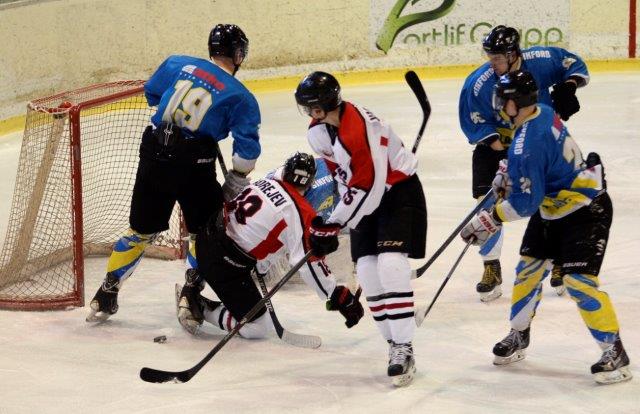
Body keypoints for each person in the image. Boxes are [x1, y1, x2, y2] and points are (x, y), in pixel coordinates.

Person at [460, 70, 632, 385]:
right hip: (553, 208)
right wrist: (507, 171)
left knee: (578, 281)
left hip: (585, 209)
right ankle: (519, 334)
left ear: (517, 102)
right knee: (527, 271)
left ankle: (614, 351)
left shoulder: (529, 142)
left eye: (504, 100)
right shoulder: (540, 112)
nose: (499, 105)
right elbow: (533, 160)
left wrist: (490, 217)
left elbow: (526, 203)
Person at [87, 24, 261, 322]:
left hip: (154, 153)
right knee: (203, 233)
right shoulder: (241, 97)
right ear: (239, 54)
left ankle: (105, 293)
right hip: (194, 165)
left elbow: (153, 92)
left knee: (140, 230)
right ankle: (190, 294)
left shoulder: (178, 63)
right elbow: (247, 151)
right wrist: (236, 179)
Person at [295, 72, 427, 387]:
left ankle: (405, 346)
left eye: (311, 106)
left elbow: (371, 187)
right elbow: (345, 179)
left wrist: (335, 222)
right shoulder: (319, 131)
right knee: (367, 272)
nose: (309, 112)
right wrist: (335, 220)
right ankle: (393, 344)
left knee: (391, 264)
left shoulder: (359, 131)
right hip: (364, 197)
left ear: (322, 106)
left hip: (398, 193)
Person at [458, 25, 590, 300]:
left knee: (552, 198)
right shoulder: (478, 84)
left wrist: (568, 87)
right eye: (489, 57)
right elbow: (475, 123)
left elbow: (573, 63)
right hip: (498, 147)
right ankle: (491, 267)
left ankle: (559, 260)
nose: (492, 63)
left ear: (513, 54)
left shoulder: (540, 60)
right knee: (487, 203)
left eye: (497, 57)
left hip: (537, 143)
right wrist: (509, 159)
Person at [176, 152, 364, 339]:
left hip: (205, 238)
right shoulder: (300, 213)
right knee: (258, 327)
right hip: (225, 265)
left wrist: (262, 265)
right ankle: (199, 306)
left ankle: (192, 284)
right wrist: (337, 294)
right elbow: (309, 263)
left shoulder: (266, 181)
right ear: (309, 183)